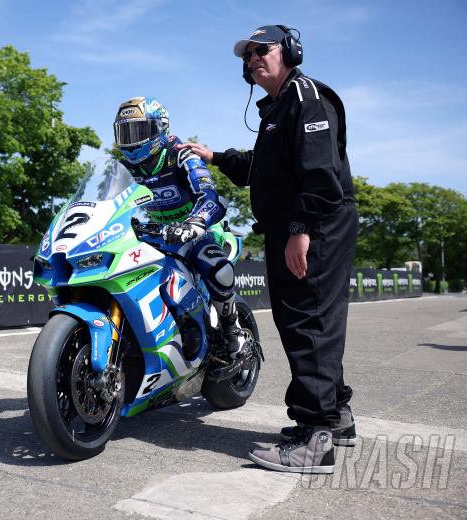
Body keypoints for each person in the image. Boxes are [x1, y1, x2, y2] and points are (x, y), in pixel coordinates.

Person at [177, 25, 358, 474]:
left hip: (313, 226)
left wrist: (301, 228)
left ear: (291, 51)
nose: (253, 59)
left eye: (263, 50)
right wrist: (215, 157)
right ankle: (336, 417)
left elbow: (320, 172)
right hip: (298, 226)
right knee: (312, 320)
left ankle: (316, 439)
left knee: (307, 322)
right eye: (248, 56)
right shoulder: (278, 106)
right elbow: (265, 169)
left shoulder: (306, 96)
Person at [114, 96, 242, 358]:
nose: (131, 139)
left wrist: (193, 223)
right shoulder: (124, 166)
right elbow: (109, 202)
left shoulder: (181, 155)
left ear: (159, 129)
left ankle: (232, 329)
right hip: (157, 234)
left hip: (198, 230)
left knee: (213, 265)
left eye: (139, 130)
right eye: (125, 132)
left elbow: (210, 197)